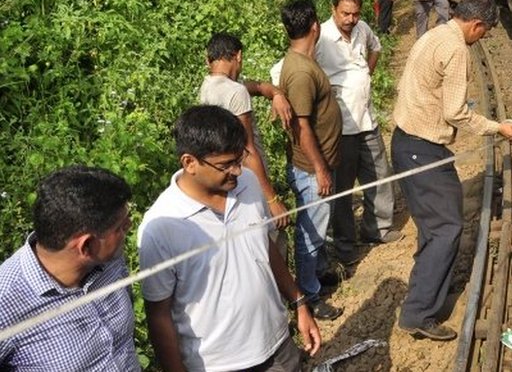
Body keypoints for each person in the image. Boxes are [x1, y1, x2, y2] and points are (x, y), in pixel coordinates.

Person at [139, 105, 321, 371]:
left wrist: (299, 303)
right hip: (219, 364)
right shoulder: (161, 227)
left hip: (278, 346)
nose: (237, 170)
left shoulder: (247, 183)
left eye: (240, 159)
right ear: (190, 163)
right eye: (226, 165)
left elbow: (264, 247)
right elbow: (159, 315)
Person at [391, 0, 512, 341]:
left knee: (435, 225)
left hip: (409, 142)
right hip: (422, 149)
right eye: (486, 33)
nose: (484, 40)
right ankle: (419, 313)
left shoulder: (436, 33)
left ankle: (428, 292)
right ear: (477, 24)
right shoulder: (455, 49)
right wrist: (498, 128)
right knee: (447, 229)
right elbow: (455, 113)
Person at [0, 166, 137, 371]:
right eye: (120, 227)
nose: (129, 226)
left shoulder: (109, 259)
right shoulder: (6, 305)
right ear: (86, 246)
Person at [318, 0, 403, 267]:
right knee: (342, 188)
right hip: (340, 127)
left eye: (355, 14)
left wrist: (367, 72)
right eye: (345, 13)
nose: (350, 19)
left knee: (379, 174)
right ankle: (345, 245)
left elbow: (376, 47)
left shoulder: (362, 29)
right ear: (333, 10)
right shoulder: (320, 37)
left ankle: (376, 228)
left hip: (367, 119)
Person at [278, 0, 344, 319]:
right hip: (310, 170)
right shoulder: (301, 72)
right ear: (315, 26)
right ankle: (310, 295)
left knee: (317, 226)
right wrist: (320, 169)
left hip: (314, 166)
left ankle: (318, 273)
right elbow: (302, 127)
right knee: (309, 234)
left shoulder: (301, 60)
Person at [200, 32, 293, 229]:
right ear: (239, 56)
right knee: (267, 235)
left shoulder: (208, 85)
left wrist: (276, 93)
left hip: (222, 175)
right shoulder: (236, 92)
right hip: (246, 177)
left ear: (209, 60)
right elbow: (248, 151)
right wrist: (272, 199)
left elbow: (257, 87)